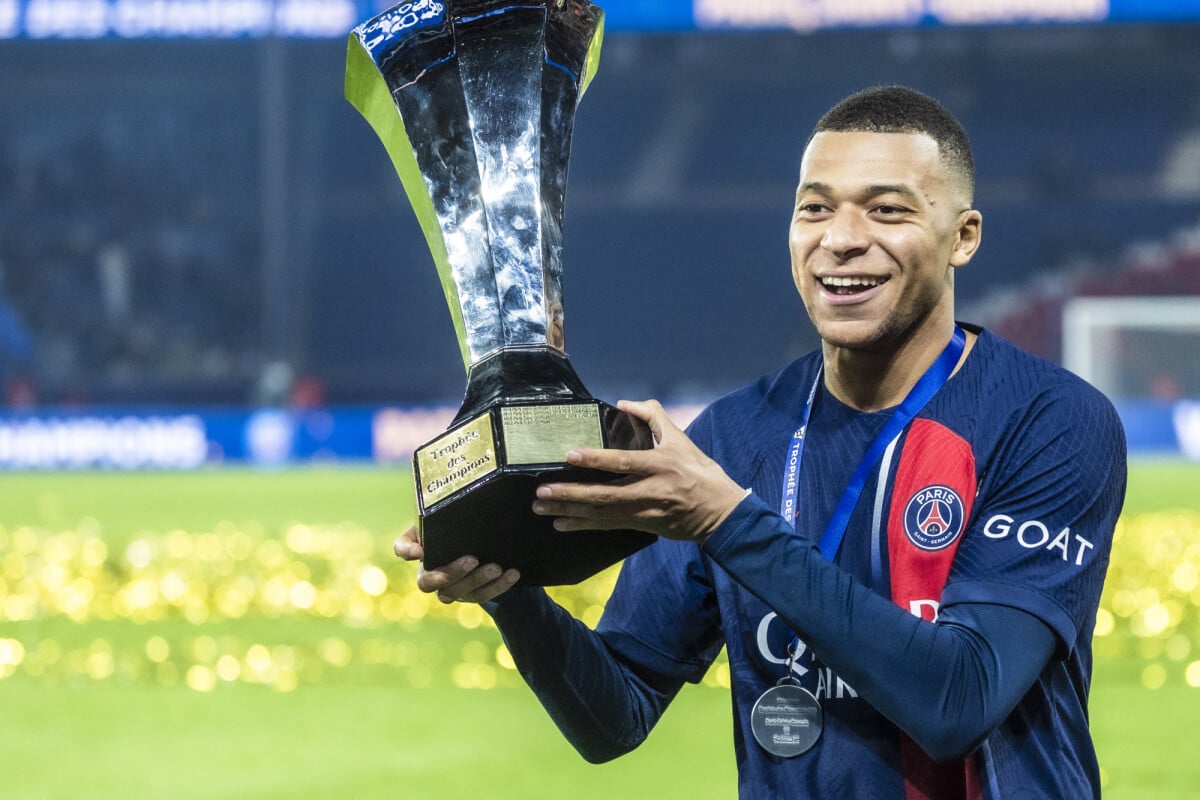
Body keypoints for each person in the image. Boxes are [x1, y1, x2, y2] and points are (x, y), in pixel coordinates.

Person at [395, 86, 1126, 799]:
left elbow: (958, 701)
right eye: (815, 209)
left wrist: (724, 520)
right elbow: (612, 715)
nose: (841, 239)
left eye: (887, 210)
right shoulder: (734, 437)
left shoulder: (1048, 419)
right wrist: (510, 587)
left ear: (963, 236)